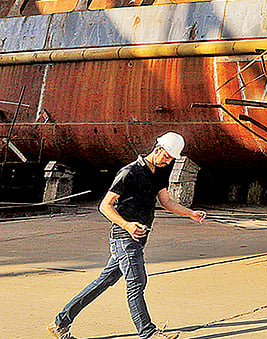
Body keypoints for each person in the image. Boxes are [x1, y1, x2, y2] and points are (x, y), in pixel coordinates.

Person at [47, 132, 206, 339]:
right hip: (124, 237)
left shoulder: (159, 173)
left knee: (103, 282)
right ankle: (148, 333)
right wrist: (127, 225)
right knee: (136, 282)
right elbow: (105, 205)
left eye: (171, 159)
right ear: (158, 149)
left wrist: (190, 213)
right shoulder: (129, 172)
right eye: (167, 157)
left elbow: (166, 202)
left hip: (139, 237)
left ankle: (60, 323)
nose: (168, 162)